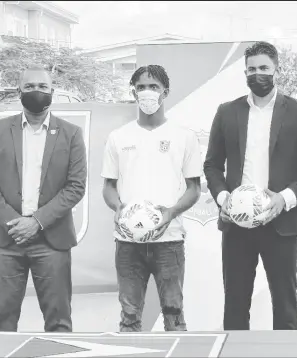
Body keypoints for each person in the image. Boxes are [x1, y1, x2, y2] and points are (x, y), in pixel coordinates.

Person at [203, 41, 297, 330]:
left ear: (277, 70)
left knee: (284, 304)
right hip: (237, 224)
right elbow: (212, 164)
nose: (257, 74)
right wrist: (225, 200)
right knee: (235, 302)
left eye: (263, 68)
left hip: (281, 221)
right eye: (251, 69)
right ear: (244, 73)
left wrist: (285, 198)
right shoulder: (226, 112)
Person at [0, 66, 87, 332]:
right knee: (1, 323)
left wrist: (36, 222)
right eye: (29, 87)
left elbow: (75, 187)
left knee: (59, 322)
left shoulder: (71, 133)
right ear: (19, 92)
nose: (36, 92)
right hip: (6, 240)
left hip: (52, 241)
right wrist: (14, 222)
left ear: (52, 92)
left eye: (42, 87)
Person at [101, 65, 202, 332]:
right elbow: (108, 187)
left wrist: (170, 213)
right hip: (128, 241)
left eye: (153, 87)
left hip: (169, 241)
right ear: (133, 92)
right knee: (130, 315)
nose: (147, 92)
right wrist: (118, 207)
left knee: (174, 313)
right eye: (141, 87)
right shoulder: (118, 137)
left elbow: (194, 189)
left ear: (165, 92)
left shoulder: (184, 137)